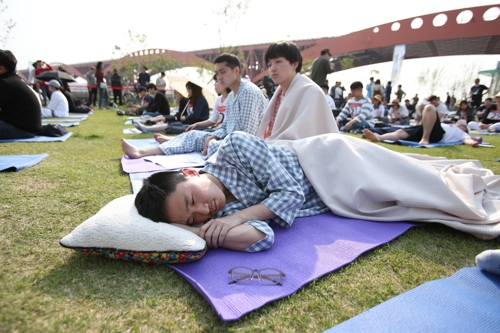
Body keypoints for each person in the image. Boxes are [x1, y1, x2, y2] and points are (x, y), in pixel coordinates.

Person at [134, 130, 499, 252]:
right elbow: (259, 239)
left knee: (434, 188)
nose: (203, 209)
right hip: (332, 197)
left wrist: (244, 214)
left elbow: (289, 193)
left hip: (330, 159)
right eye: (196, 215)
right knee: (408, 198)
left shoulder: (233, 148)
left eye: (191, 200)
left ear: (188, 171)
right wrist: (197, 231)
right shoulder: (219, 217)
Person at [122, 53, 266, 158]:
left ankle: (152, 148)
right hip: (230, 140)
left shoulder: (248, 92)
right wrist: (213, 136)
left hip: (244, 148)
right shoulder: (231, 96)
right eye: (217, 73)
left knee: (201, 138)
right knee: (194, 135)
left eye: (223, 72)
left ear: (236, 71)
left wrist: (213, 141)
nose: (219, 77)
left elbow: (246, 136)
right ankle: (144, 152)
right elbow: (225, 125)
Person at [256, 41, 338, 143]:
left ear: (295, 64)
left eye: (278, 62)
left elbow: (303, 136)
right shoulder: (280, 94)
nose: (272, 68)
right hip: (276, 148)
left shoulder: (311, 92)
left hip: (294, 152)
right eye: (269, 64)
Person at [364, 95, 445, 145]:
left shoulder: (442, 107)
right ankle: (379, 137)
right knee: (401, 132)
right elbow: (419, 106)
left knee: (429, 107)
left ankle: (425, 138)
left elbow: (441, 117)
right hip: (425, 127)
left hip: (437, 130)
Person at [0, 50, 42, 139]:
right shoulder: (13, 80)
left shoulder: (4, 83)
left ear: (1, 69)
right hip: (28, 129)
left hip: (20, 131)